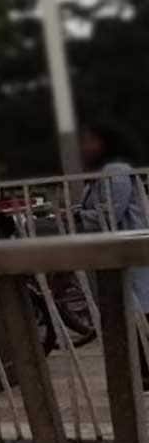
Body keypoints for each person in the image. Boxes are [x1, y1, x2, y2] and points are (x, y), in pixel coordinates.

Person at [77, 120, 149, 321]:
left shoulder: (116, 170)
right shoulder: (102, 173)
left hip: (130, 247)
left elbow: (110, 213)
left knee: (138, 310)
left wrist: (78, 216)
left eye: (91, 141)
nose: (85, 147)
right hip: (119, 251)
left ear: (106, 143)